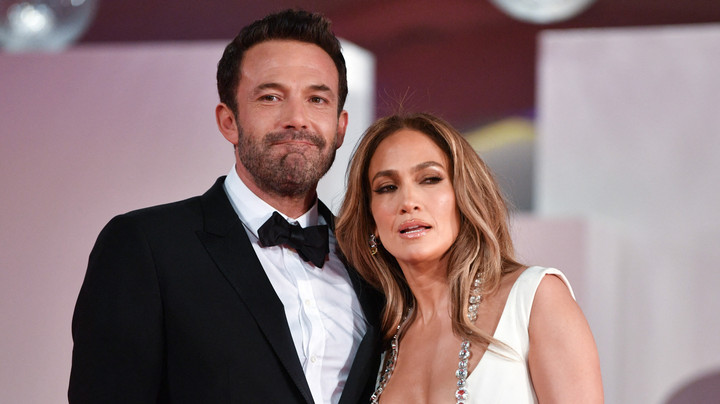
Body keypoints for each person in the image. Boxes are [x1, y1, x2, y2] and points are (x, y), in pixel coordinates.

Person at [69, 9, 382, 404]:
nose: (297, 119)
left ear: (339, 127)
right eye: (271, 97)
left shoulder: (371, 263)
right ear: (228, 121)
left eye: (317, 99)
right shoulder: (145, 246)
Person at [335, 113, 603, 403]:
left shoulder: (535, 299)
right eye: (387, 187)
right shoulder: (376, 342)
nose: (408, 202)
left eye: (430, 179)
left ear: (464, 195)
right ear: (371, 219)